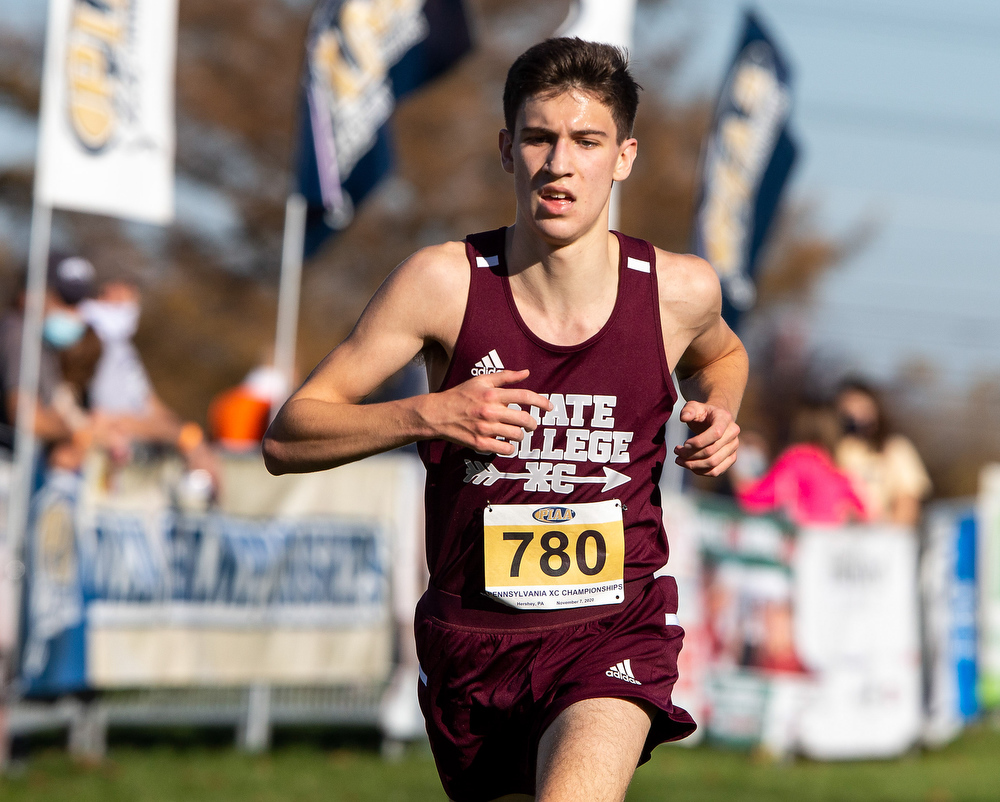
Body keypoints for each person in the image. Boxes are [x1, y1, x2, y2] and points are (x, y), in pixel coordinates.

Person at [264, 38, 747, 802]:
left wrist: (722, 409)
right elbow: (288, 435)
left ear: (622, 158)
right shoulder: (442, 282)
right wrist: (429, 412)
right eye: (539, 138)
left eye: (586, 142)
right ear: (506, 149)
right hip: (472, 640)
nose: (560, 163)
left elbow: (721, 356)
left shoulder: (676, 291)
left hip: (610, 629)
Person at [735, 403, 868, 527]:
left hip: (804, 537)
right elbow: (865, 511)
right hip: (832, 537)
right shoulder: (835, 468)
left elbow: (756, 498)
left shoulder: (796, 459)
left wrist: (739, 466)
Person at [834, 377, 931, 527]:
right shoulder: (832, 449)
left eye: (862, 408)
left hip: (882, 536)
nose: (856, 416)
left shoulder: (895, 448)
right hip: (834, 536)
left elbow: (909, 499)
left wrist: (894, 538)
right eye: (848, 410)